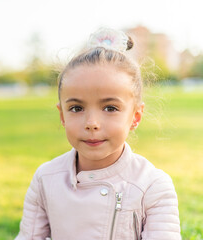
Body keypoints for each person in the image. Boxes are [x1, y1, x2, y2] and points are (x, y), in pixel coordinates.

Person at [15, 28, 181, 240]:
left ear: (135, 117)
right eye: (76, 108)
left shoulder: (152, 185)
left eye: (110, 108)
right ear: (62, 115)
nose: (92, 123)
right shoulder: (46, 179)